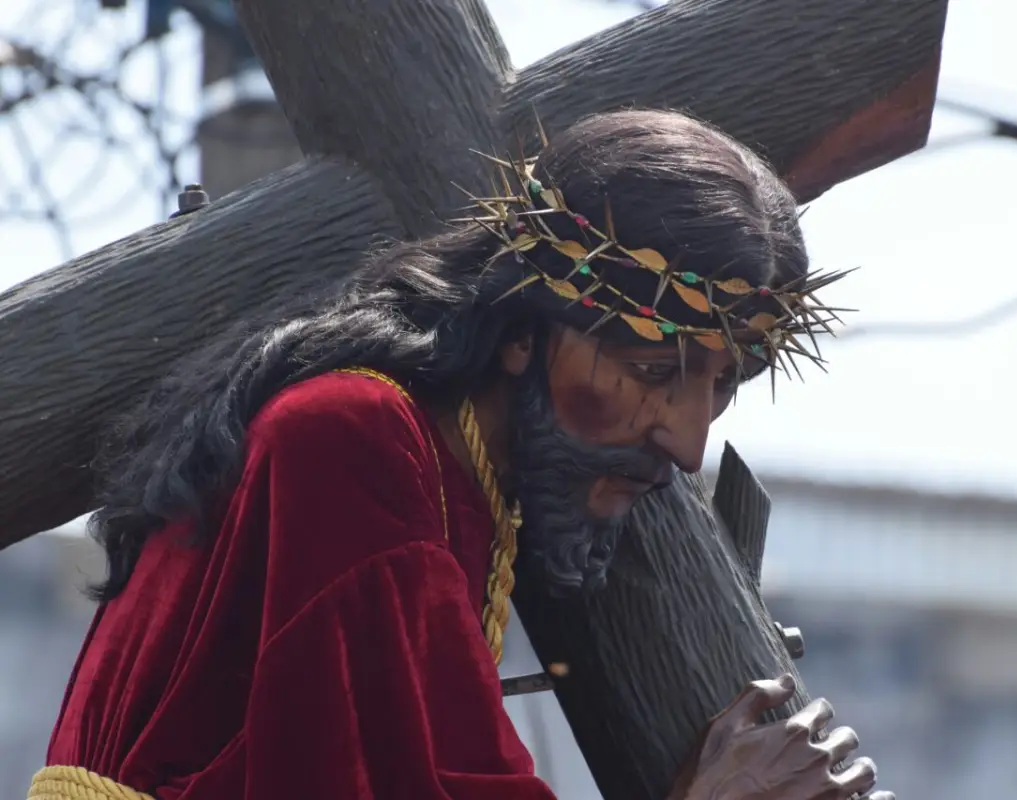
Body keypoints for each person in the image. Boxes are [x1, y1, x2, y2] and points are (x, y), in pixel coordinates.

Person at [29, 110, 891, 800]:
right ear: (521, 332)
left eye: (722, 387)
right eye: (650, 372)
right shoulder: (353, 441)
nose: (688, 437)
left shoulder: (456, 479)